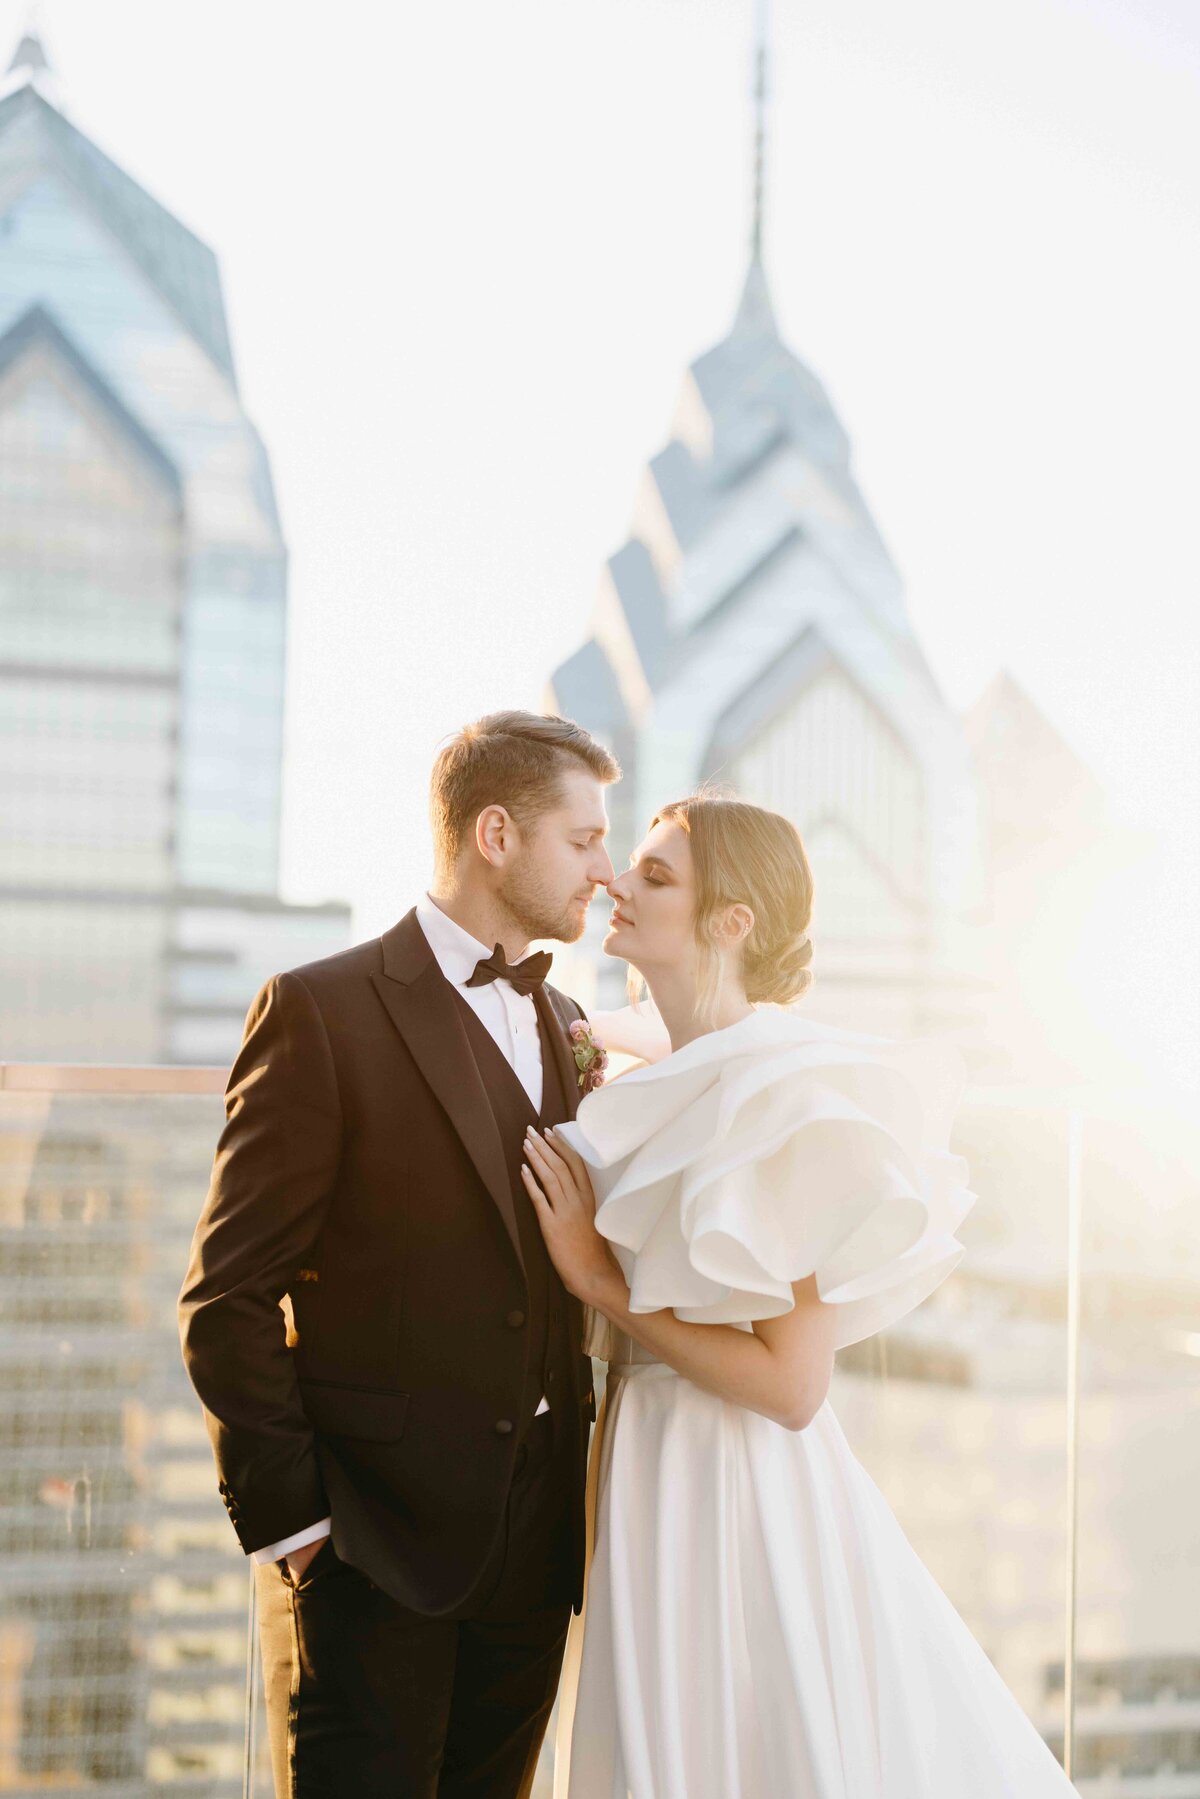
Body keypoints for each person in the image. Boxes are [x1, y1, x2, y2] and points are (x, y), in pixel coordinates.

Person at [521, 794, 1080, 1799]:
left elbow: (791, 1384)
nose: (615, 880)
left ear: (731, 921)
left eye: (655, 875)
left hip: (732, 1475)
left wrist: (597, 1281)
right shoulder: (659, 1065)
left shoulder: (791, 1093)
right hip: (644, 1455)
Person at [178, 710, 619, 1798]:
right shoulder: (321, 1010)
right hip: (366, 1553)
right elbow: (225, 1297)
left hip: (531, 1555)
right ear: (498, 835)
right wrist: (304, 1530)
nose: (604, 873)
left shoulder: (565, 1018)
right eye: (584, 839)